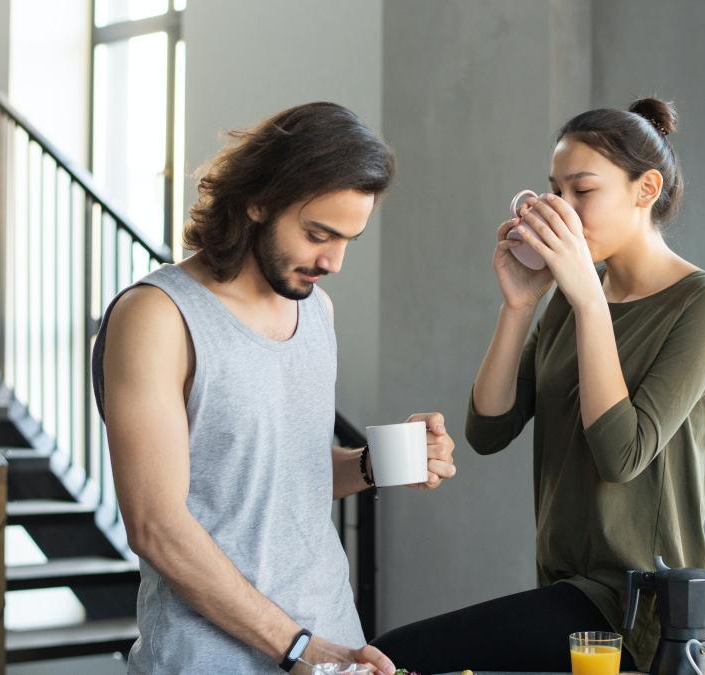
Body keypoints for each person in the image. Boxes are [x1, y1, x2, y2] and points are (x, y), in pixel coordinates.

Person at [372, 98, 705, 673]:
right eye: (555, 191)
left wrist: (588, 300)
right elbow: (488, 429)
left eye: (582, 191)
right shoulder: (571, 297)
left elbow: (622, 453)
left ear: (645, 190)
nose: (561, 210)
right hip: (566, 588)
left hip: (639, 609)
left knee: (393, 657)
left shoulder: (703, 303)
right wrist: (519, 304)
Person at [92, 102, 457, 674]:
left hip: (334, 644)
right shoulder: (156, 317)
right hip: (213, 659)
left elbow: (279, 478)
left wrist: (375, 464)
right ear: (257, 200)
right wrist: (296, 647)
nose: (333, 261)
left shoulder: (316, 311)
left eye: (347, 241)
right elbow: (156, 525)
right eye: (318, 234)